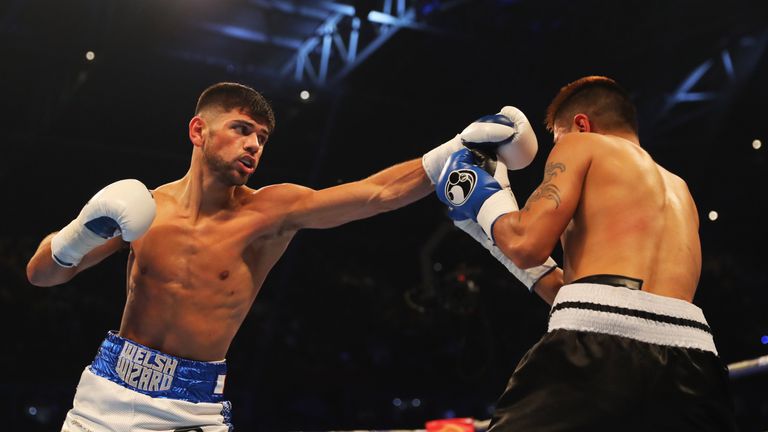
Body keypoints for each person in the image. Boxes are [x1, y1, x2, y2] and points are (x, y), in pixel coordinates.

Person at [26, 82, 559, 432]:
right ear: (198, 131)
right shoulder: (142, 209)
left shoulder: (270, 212)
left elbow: (374, 193)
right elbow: (42, 275)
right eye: (241, 129)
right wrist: (79, 233)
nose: (254, 144)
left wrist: (451, 152)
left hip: (192, 408)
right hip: (105, 396)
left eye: (261, 137)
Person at [434, 76, 736, 431]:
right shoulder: (680, 190)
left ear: (581, 124)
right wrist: (491, 236)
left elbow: (525, 244)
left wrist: (480, 194)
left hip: (599, 345)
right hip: (695, 354)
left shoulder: (583, 146)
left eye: (558, 139)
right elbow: (603, 297)